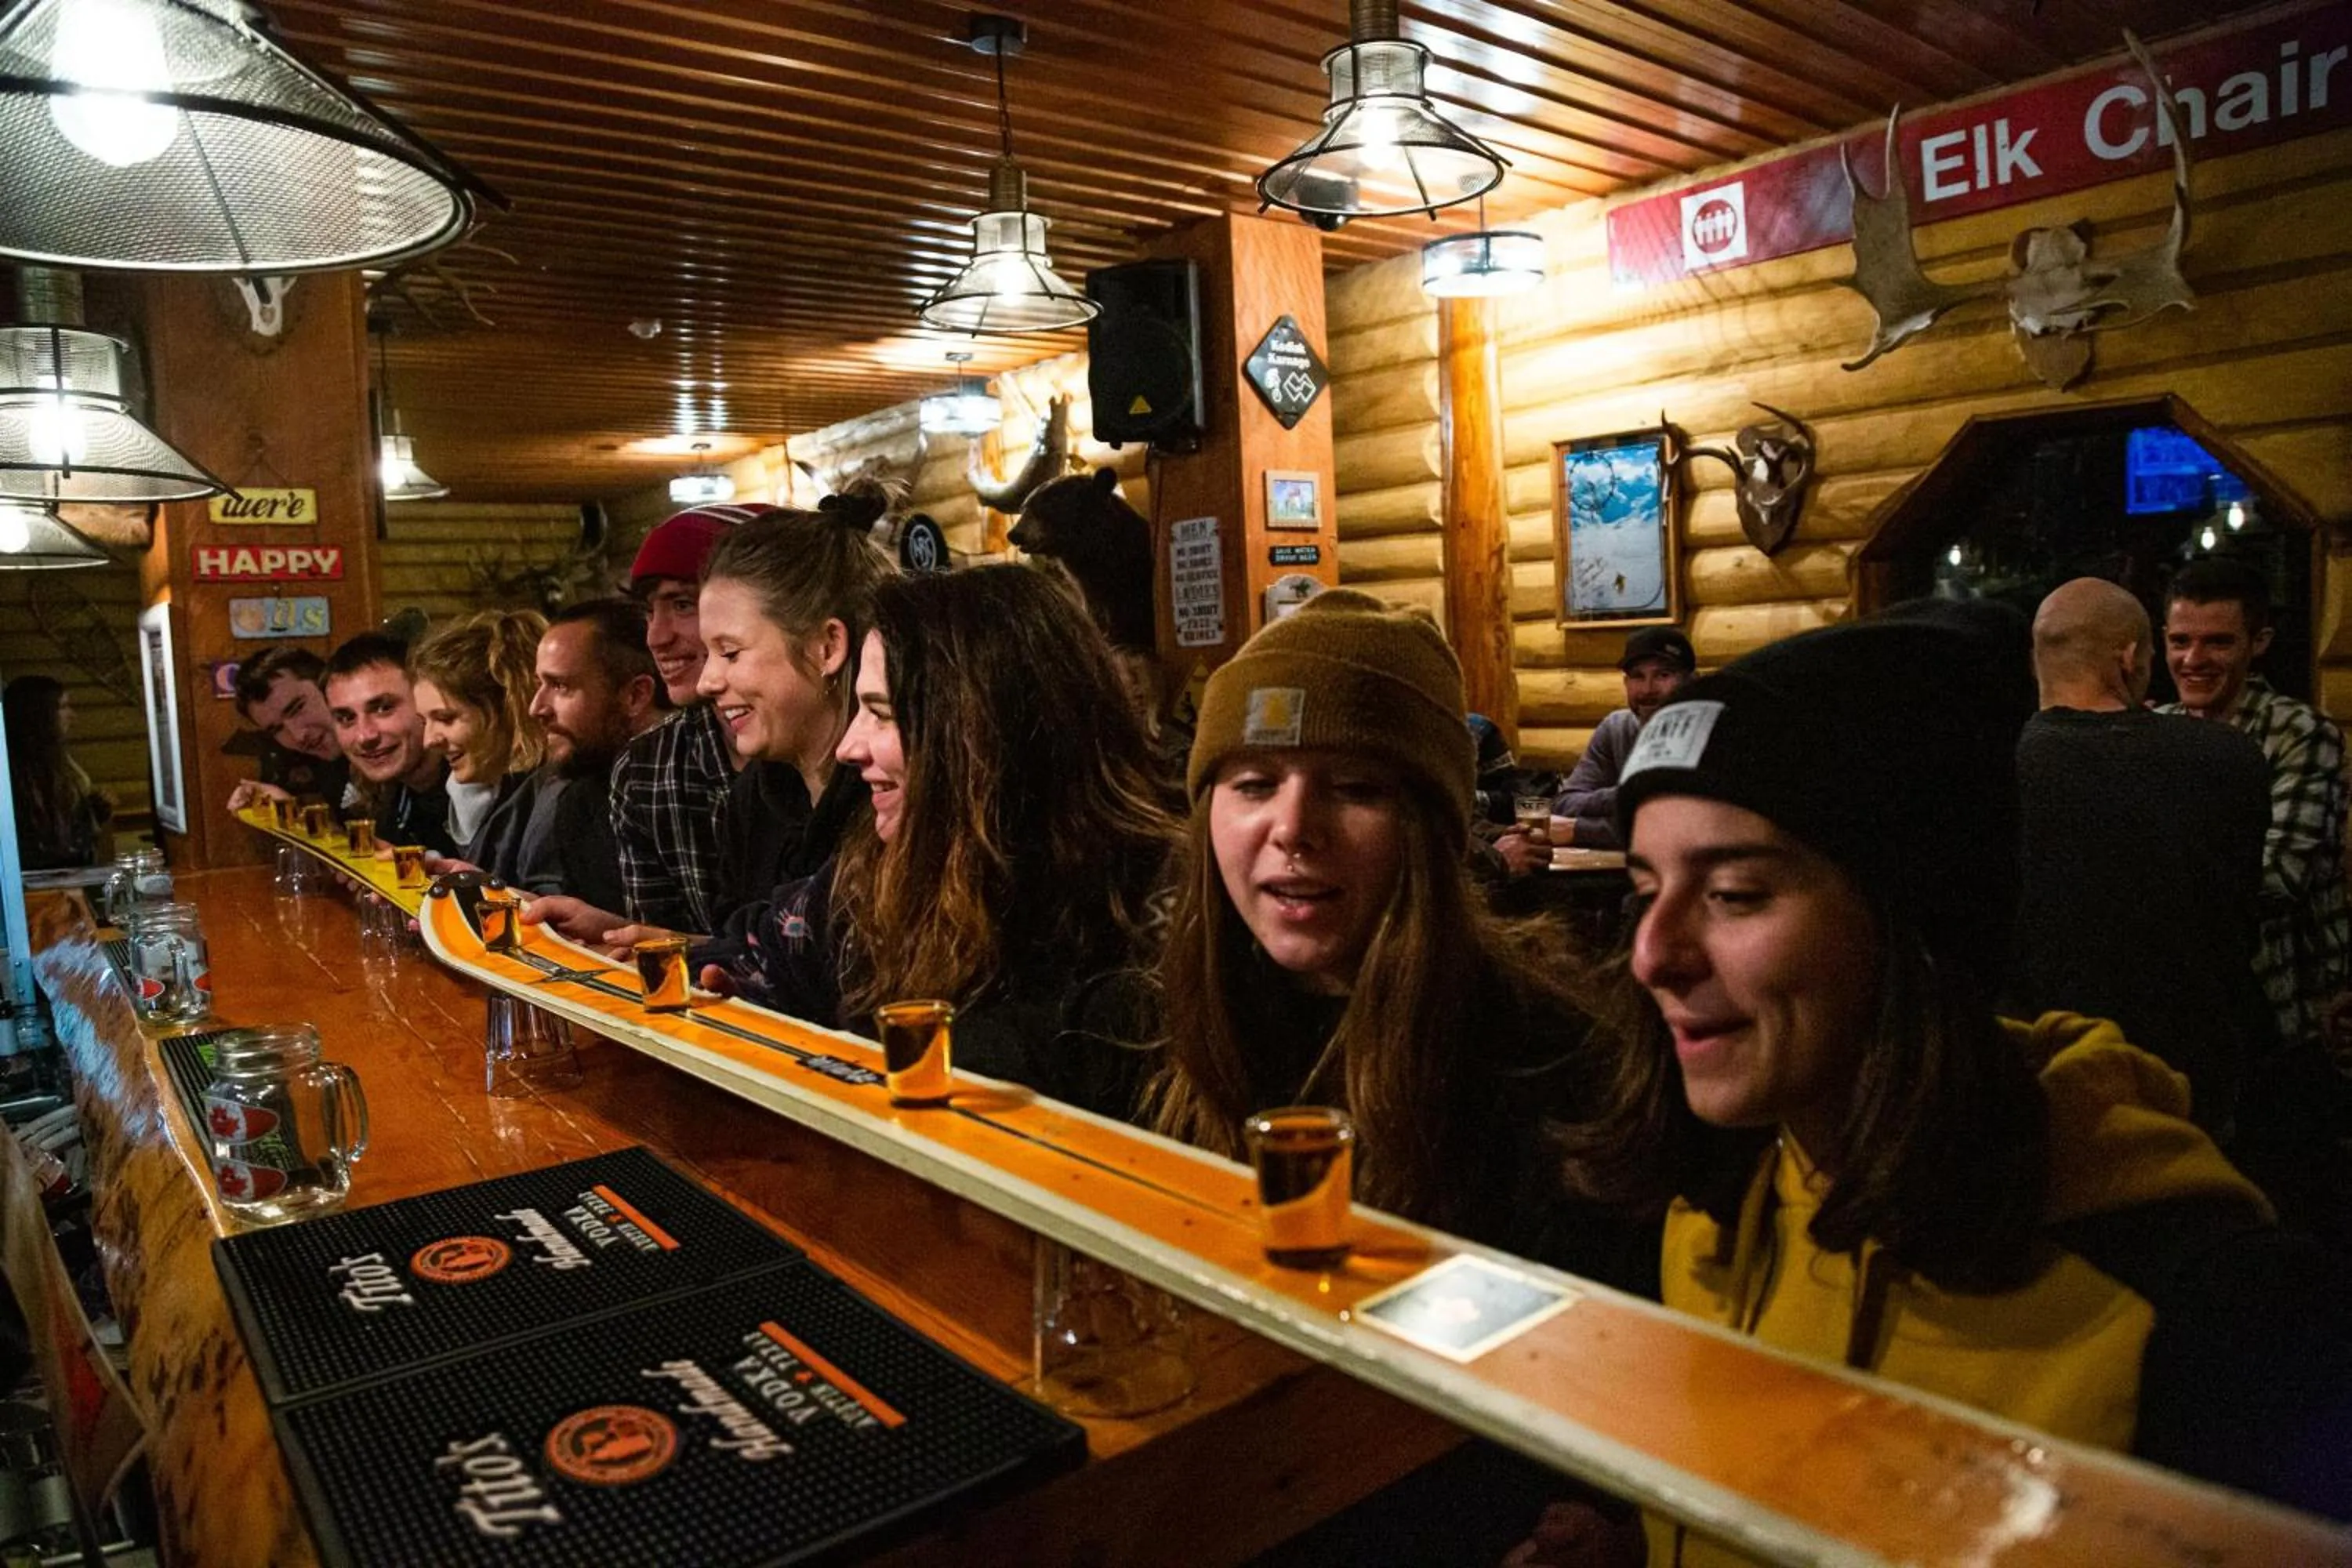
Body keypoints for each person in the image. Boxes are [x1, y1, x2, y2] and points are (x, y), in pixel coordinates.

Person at [1565, 616, 2352, 1547]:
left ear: (1916, 927)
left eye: (1735, 893)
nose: (1652, 954)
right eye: (1648, 888)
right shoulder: (1712, 1200)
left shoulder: (2207, 1310)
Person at [1149, 589, 1642, 1276]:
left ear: (1430, 830)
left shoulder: (1551, 1069)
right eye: (1256, 784)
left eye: (1355, 788)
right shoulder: (1151, 1033)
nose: (1293, 828)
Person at [726, 565, 1174, 1112]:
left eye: (881, 714)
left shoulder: (1144, 909)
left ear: (976, 731)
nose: (849, 746)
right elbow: (763, 947)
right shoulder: (877, 869)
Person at [2007, 579, 2272, 1133]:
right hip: (2197, 1068)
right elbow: (2242, 916)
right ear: (2130, 659)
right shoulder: (2227, 757)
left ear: (2039, 662)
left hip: (2049, 1064)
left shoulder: (2001, 768)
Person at [2157, 558, 2352, 1064]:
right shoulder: (2154, 730)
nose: (2193, 659)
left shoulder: (2299, 733)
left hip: (2292, 1019)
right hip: (2194, 1016)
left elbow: (2279, 877)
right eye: (2180, 642)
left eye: (2217, 642)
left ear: (2258, 643)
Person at [608, 502, 771, 935]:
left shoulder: (857, 752)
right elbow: (661, 952)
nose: (655, 637)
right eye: (649, 610)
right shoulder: (647, 767)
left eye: (683, 604)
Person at [463, 600, 662, 913]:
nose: (536, 708)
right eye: (540, 684)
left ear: (634, 695)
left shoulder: (689, 785)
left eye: (560, 686)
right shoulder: (580, 799)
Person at [407, 608, 547, 858]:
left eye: (445, 718)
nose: (429, 741)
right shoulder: (487, 793)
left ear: (509, 707)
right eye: (424, 721)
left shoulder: (553, 801)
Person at [1550, 626, 1696, 851]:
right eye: (1638, 676)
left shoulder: (1710, 732)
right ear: (1626, 683)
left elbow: (1684, 829)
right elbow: (1566, 804)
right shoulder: (1616, 727)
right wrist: (1628, 796)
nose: (1648, 689)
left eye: (1663, 675)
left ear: (1691, 681)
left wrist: (1578, 830)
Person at [322, 631, 459, 856]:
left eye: (383, 708)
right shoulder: (390, 799)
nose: (365, 736)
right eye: (346, 718)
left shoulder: (485, 789)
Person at [223, 646, 350, 813]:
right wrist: (290, 812)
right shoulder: (329, 769)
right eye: (277, 729)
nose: (299, 736)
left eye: (296, 709)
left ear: (329, 685)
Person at [3, 676, 109, 869]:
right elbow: (43, 842)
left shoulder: (55, 759)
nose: (72, 715)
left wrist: (93, 810)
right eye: (63, 707)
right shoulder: (21, 771)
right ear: (40, 713)